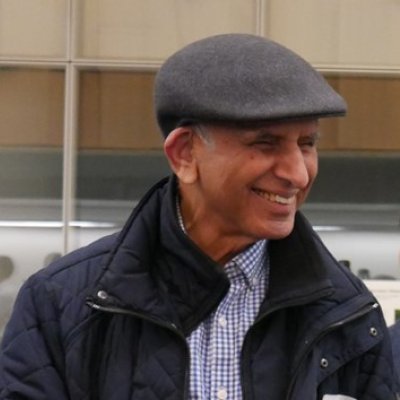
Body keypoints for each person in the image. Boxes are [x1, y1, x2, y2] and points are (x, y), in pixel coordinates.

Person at [0, 34, 398, 400]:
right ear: (184, 154)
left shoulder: (349, 313)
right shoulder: (61, 304)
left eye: (307, 144)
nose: (297, 174)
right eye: (266, 143)